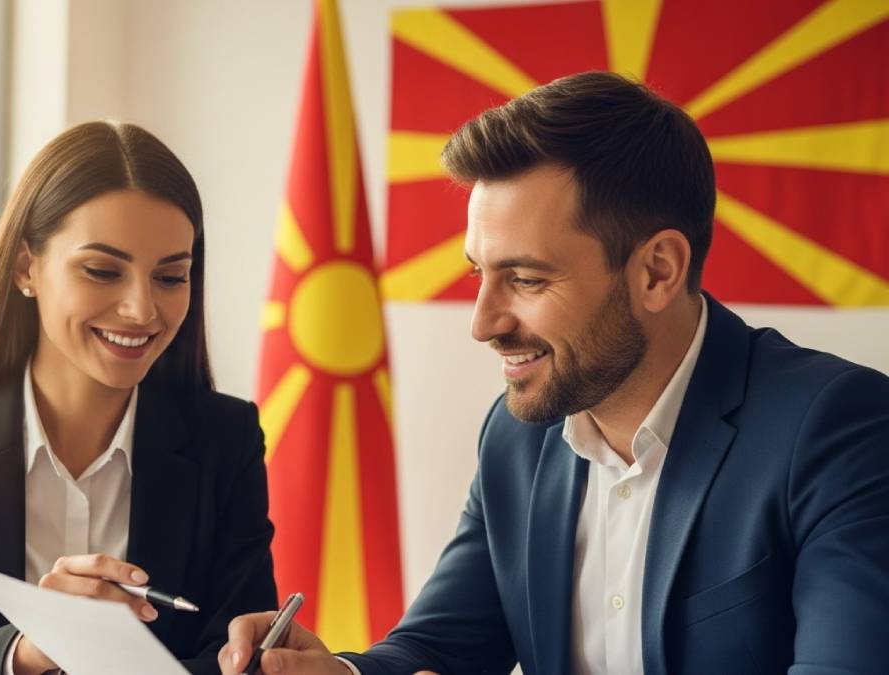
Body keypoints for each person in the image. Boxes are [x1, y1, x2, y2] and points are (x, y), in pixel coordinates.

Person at [219, 71, 889, 675]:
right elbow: (438, 649)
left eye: (526, 278)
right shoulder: (518, 436)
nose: (482, 322)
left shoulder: (838, 427)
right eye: (479, 272)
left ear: (658, 270)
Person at [0, 121, 277, 675]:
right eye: (102, 271)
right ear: (25, 268)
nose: (142, 310)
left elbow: (239, 654)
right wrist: (28, 651)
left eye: (171, 277)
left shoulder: (225, 441)